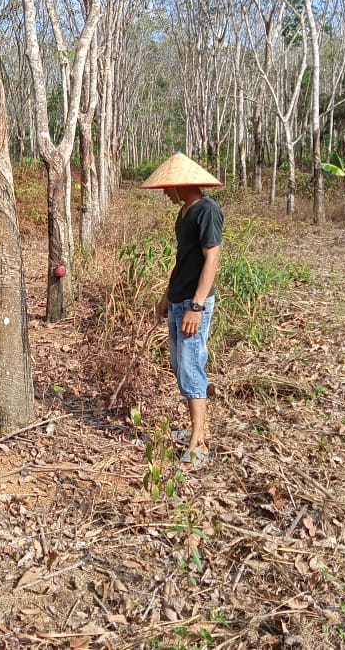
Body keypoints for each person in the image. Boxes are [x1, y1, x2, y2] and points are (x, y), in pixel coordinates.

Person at [141, 153, 224, 472]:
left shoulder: (207, 210)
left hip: (194, 303)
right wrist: (167, 295)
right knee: (180, 365)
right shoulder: (184, 213)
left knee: (190, 367)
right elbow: (183, 259)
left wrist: (196, 305)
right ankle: (195, 428)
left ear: (183, 184)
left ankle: (198, 442)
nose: (165, 192)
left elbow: (211, 259)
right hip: (178, 300)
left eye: (169, 187)